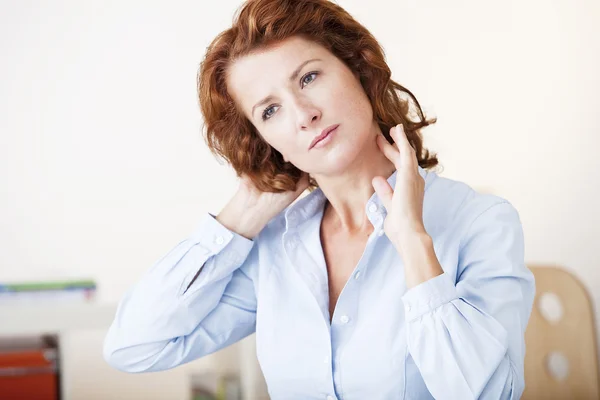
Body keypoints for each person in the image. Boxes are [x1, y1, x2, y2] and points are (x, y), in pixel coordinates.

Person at [103, 0, 536, 399]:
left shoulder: (480, 222)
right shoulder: (275, 248)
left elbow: (493, 394)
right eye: (269, 111)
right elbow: (134, 347)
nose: (303, 114)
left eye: (309, 77)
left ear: (359, 71)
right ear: (265, 140)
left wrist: (413, 243)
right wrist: (240, 218)